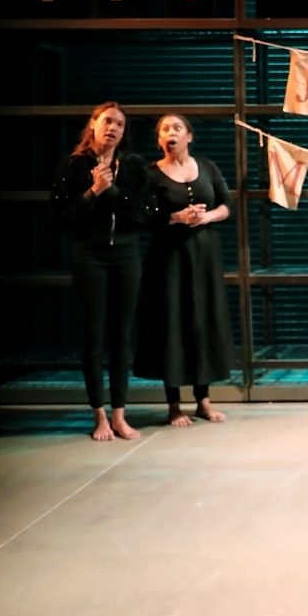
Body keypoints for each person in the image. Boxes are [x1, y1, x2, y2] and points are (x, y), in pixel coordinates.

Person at [51, 101, 154, 442]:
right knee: (93, 336)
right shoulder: (73, 165)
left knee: (122, 336)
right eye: (107, 121)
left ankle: (120, 415)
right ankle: (100, 417)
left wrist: (113, 192)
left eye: (119, 124)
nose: (112, 128)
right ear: (92, 125)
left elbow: (144, 214)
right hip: (89, 256)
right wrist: (92, 192)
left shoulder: (134, 166)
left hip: (126, 255)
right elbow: (62, 218)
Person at [134, 114, 235, 426]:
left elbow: (226, 204)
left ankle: (203, 399)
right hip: (169, 256)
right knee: (172, 321)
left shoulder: (206, 166)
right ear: (159, 140)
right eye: (165, 129)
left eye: (177, 128)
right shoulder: (151, 174)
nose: (171, 133)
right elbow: (142, 218)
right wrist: (176, 218)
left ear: (189, 136)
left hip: (204, 255)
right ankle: (174, 404)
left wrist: (204, 218)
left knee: (202, 319)